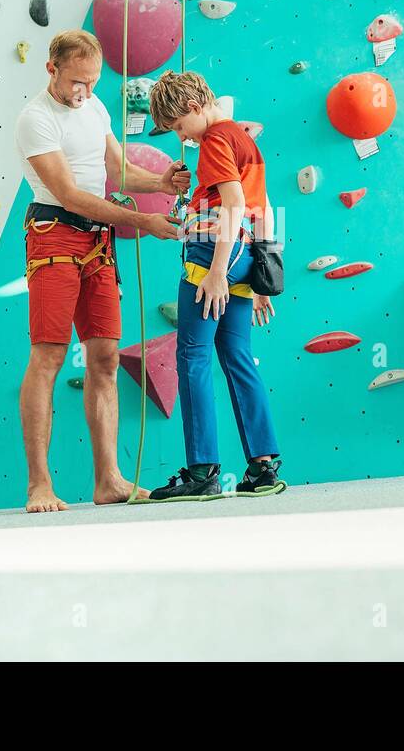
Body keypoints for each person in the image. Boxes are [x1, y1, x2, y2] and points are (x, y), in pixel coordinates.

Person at [13, 30, 190, 513]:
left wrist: (161, 182)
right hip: (55, 236)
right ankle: (39, 486)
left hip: (97, 242)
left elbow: (118, 171)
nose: (83, 92)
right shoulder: (35, 120)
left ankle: (109, 480)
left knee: (107, 357)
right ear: (51, 69)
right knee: (48, 357)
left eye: (91, 82)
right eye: (75, 81)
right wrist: (143, 221)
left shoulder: (93, 107)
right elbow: (69, 194)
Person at [142, 71, 284, 502]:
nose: (182, 138)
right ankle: (263, 467)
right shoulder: (244, 140)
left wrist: (219, 270)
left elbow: (235, 205)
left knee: (193, 356)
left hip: (212, 254)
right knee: (238, 357)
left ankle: (202, 470)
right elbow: (262, 208)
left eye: (180, 128)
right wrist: (257, 275)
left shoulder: (215, 142)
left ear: (191, 109)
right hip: (245, 258)